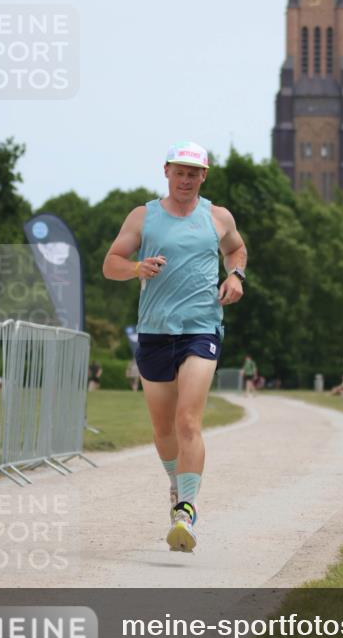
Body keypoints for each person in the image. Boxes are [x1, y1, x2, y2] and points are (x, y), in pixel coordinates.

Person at [102, 141, 247, 553]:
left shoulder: (217, 217)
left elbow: (236, 249)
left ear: (204, 176)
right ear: (166, 171)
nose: (186, 179)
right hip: (154, 331)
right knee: (164, 429)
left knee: (187, 422)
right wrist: (136, 267)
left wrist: (235, 276)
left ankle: (186, 510)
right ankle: (177, 484)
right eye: (179, 172)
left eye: (193, 173)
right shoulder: (143, 216)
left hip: (201, 329)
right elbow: (110, 263)